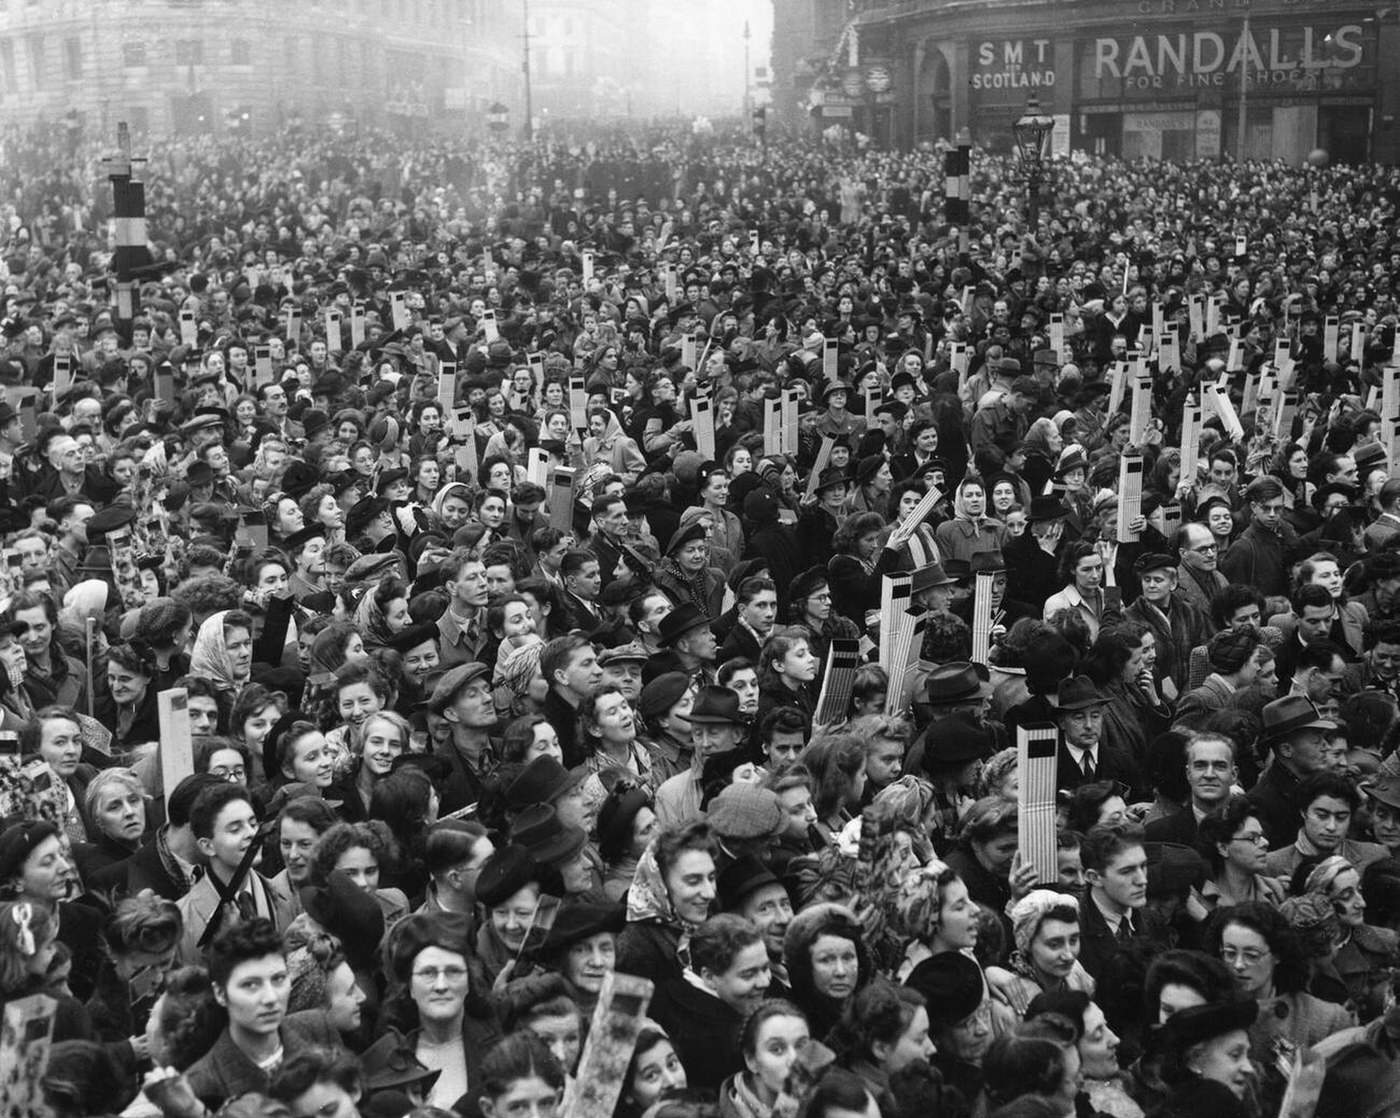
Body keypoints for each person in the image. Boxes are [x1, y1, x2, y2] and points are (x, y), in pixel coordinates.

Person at [182, 919, 341, 1107]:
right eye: (250, 985)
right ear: (220, 993)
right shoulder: (201, 1085)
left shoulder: (318, 1029)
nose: (271, 998)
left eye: (279, 979)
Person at [382, 911, 502, 1110]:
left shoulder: (498, 1044)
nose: (441, 985)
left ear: (469, 982)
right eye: (428, 973)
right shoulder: (390, 1053)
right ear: (410, 986)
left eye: (453, 972)